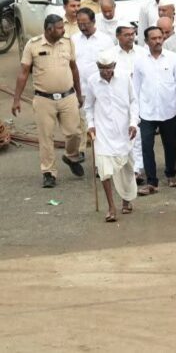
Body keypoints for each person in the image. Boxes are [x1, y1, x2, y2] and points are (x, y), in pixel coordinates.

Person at [13, 15, 85, 188]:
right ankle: (48, 172)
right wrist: (16, 99)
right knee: (46, 138)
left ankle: (71, 155)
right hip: (44, 98)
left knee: (74, 133)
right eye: (60, 28)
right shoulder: (33, 45)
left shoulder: (67, 42)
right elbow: (23, 73)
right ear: (49, 29)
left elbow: (74, 68)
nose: (63, 30)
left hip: (68, 96)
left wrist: (79, 93)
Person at [133, 26, 176, 195]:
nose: (158, 41)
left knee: (170, 144)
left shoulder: (173, 58)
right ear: (146, 41)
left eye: (160, 37)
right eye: (154, 38)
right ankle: (151, 182)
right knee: (146, 146)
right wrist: (135, 113)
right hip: (146, 110)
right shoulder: (140, 61)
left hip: (169, 109)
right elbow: (135, 88)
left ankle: (171, 174)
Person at [84, 52, 138, 221]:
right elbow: (89, 106)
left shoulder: (124, 78)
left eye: (108, 68)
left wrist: (133, 123)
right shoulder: (93, 81)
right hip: (103, 131)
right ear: (98, 67)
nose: (106, 72)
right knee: (104, 170)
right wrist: (90, 124)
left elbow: (133, 102)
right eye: (102, 68)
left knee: (127, 168)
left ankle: (126, 200)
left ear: (114, 66)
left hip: (124, 131)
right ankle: (111, 207)